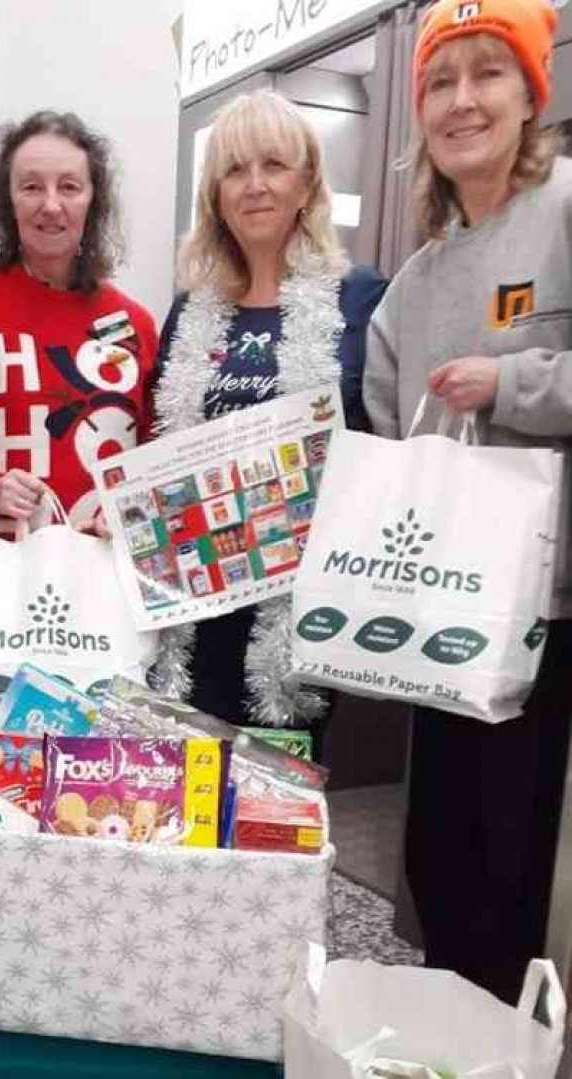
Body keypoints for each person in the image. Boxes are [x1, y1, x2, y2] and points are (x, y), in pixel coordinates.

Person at [364, 0, 572, 1003]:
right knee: (440, 857)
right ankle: (447, 1035)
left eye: (488, 74)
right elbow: (379, 429)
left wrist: (514, 385)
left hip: (549, 617)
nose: (461, 101)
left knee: (517, 869)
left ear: (531, 93)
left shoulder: (569, 211)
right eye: (441, 82)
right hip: (439, 610)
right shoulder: (415, 279)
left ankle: (509, 1046)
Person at [152, 89, 386, 738]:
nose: (254, 185)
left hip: (296, 615)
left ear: (308, 181)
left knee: (278, 812)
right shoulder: (189, 310)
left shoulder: (360, 298)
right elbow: (163, 451)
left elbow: (381, 444)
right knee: (187, 812)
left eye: (274, 165)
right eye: (234, 169)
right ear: (215, 193)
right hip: (196, 611)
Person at [0, 110, 159, 535]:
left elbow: (157, 459)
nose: (51, 204)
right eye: (32, 187)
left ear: (94, 200)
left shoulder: (134, 323)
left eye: (70, 187)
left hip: (106, 579)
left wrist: (123, 514)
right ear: (9, 201)